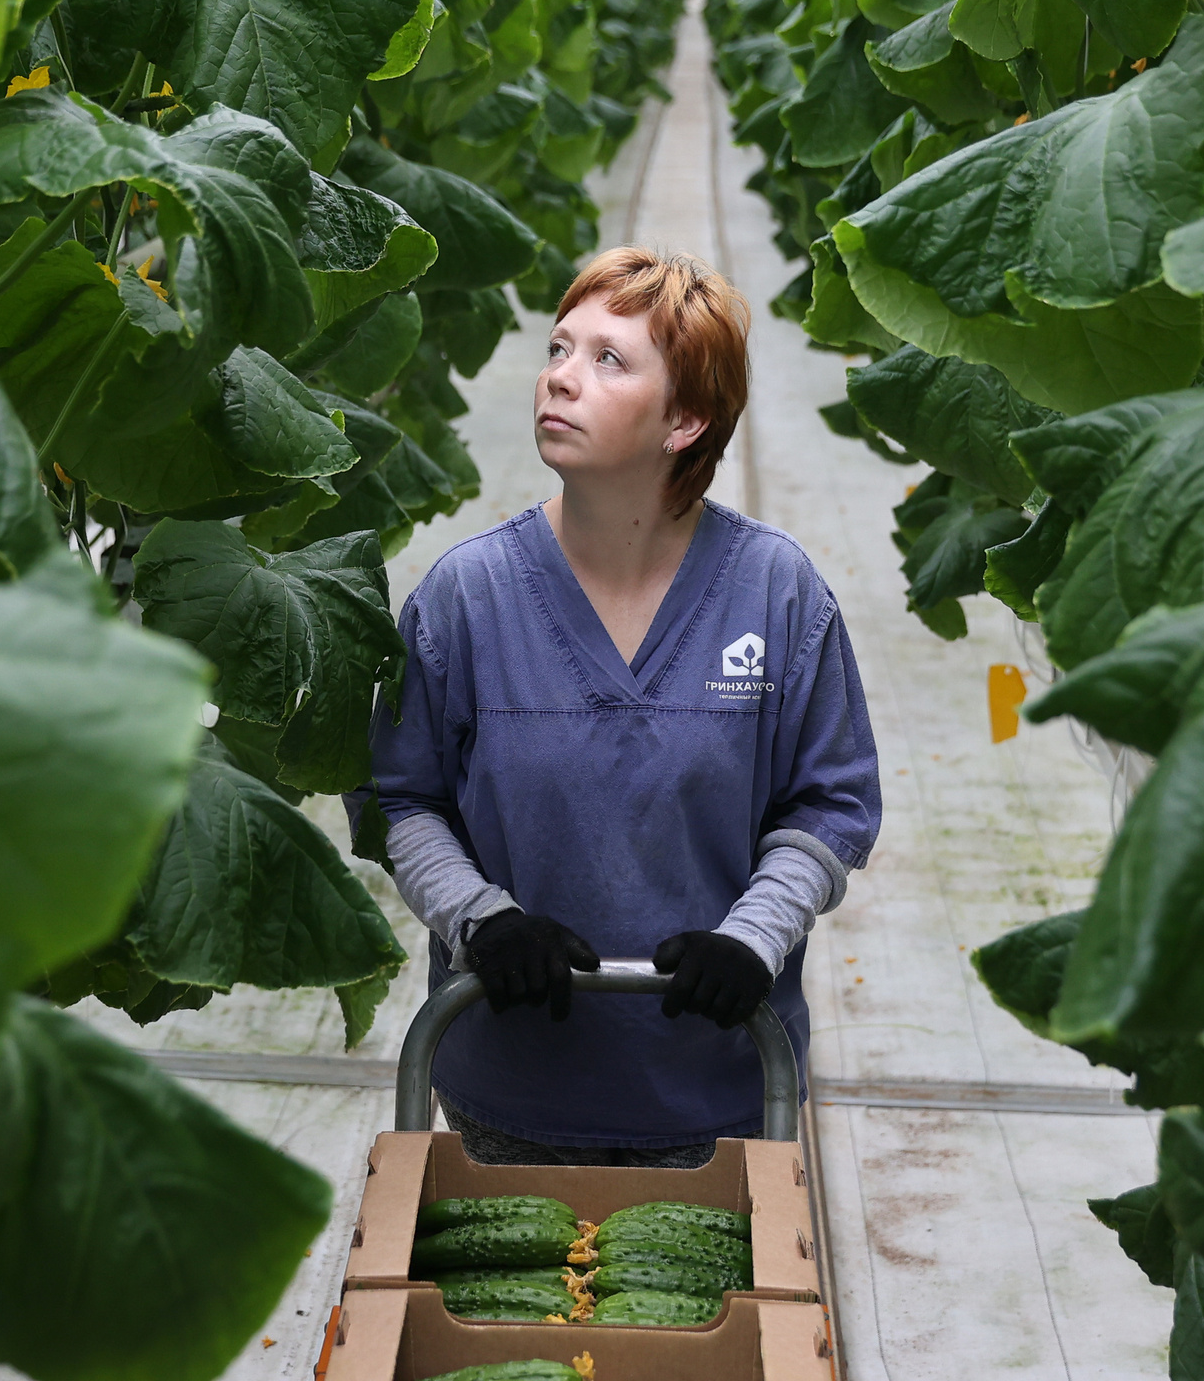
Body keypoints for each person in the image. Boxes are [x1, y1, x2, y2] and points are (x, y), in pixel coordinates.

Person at [360, 246, 881, 1167]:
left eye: (608, 360)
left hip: (718, 1096)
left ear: (685, 420)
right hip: (512, 1095)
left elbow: (829, 804)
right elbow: (404, 798)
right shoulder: (468, 596)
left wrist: (753, 938)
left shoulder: (776, 592)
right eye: (559, 348)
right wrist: (480, 917)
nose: (560, 377)